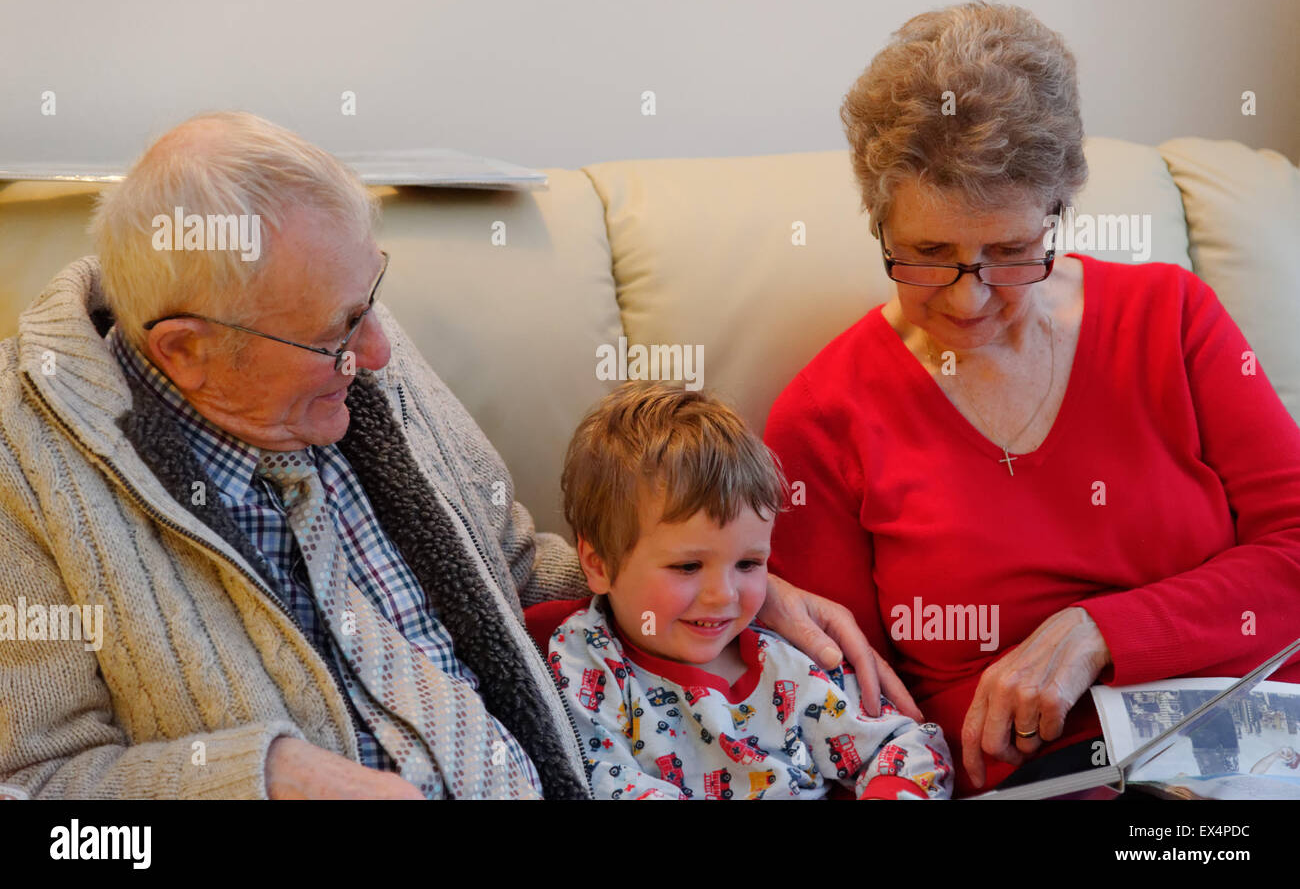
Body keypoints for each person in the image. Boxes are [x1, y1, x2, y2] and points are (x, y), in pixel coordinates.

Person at [0, 111, 901, 799]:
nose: (383, 355)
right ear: (185, 350)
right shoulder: (31, 467)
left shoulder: (352, 355)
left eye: (371, 300)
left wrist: (723, 586)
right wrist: (270, 778)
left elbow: (514, 566)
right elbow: (40, 793)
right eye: (338, 332)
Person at [763, 1, 1300, 797]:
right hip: (1049, 784)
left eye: (1010, 252)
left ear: (1057, 213)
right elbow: (848, 702)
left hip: (1257, 738)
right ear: (879, 224)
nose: (970, 298)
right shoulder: (824, 416)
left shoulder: (1171, 318)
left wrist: (1098, 631)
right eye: (928, 254)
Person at [525, 382, 954, 799]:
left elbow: (905, 748)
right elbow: (602, 782)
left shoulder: (792, 661)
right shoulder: (586, 661)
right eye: (688, 566)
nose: (723, 595)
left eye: (748, 564)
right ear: (598, 564)